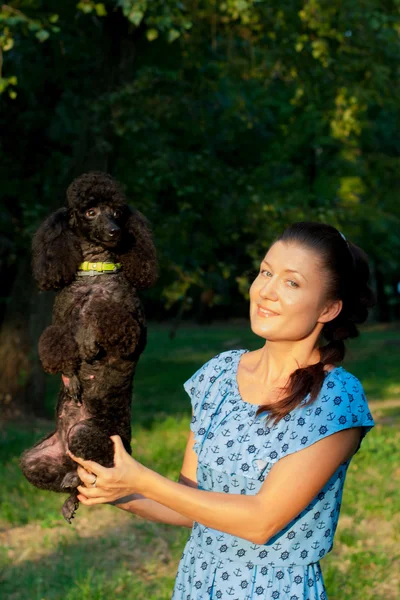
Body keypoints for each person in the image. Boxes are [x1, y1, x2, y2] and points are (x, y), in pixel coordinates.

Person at [69, 222, 375, 600]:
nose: (266, 291)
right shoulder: (218, 374)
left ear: (329, 308)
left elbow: (263, 521)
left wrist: (142, 480)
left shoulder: (336, 398)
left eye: (291, 283)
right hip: (196, 583)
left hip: (273, 590)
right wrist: (110, 487)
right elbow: (190, 504)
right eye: (265, 272)